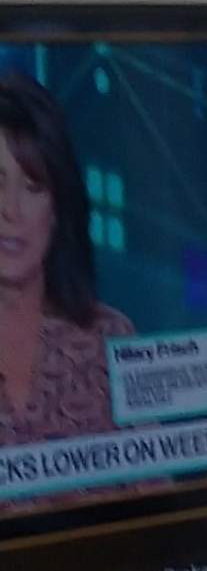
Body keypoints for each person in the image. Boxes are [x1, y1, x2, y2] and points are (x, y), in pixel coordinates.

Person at [0, 72, 132, 447]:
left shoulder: (109, 338)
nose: (11, 210)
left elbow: (154, 492)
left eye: (33, 187)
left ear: (57, 209)